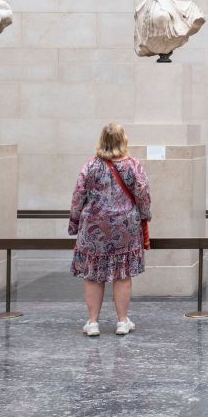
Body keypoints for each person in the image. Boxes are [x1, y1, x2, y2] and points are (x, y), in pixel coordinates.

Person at [69, 122, 151, 336]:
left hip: (94, 228)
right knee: (122, 274)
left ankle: (93, 322)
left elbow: (78, 196)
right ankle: (122, 321)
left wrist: (74, 223)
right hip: (125, 227)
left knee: (94, 274)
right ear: (123, 140)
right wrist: (144, 217)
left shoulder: (91, 166)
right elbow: (143, 194)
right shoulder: (133, 165)